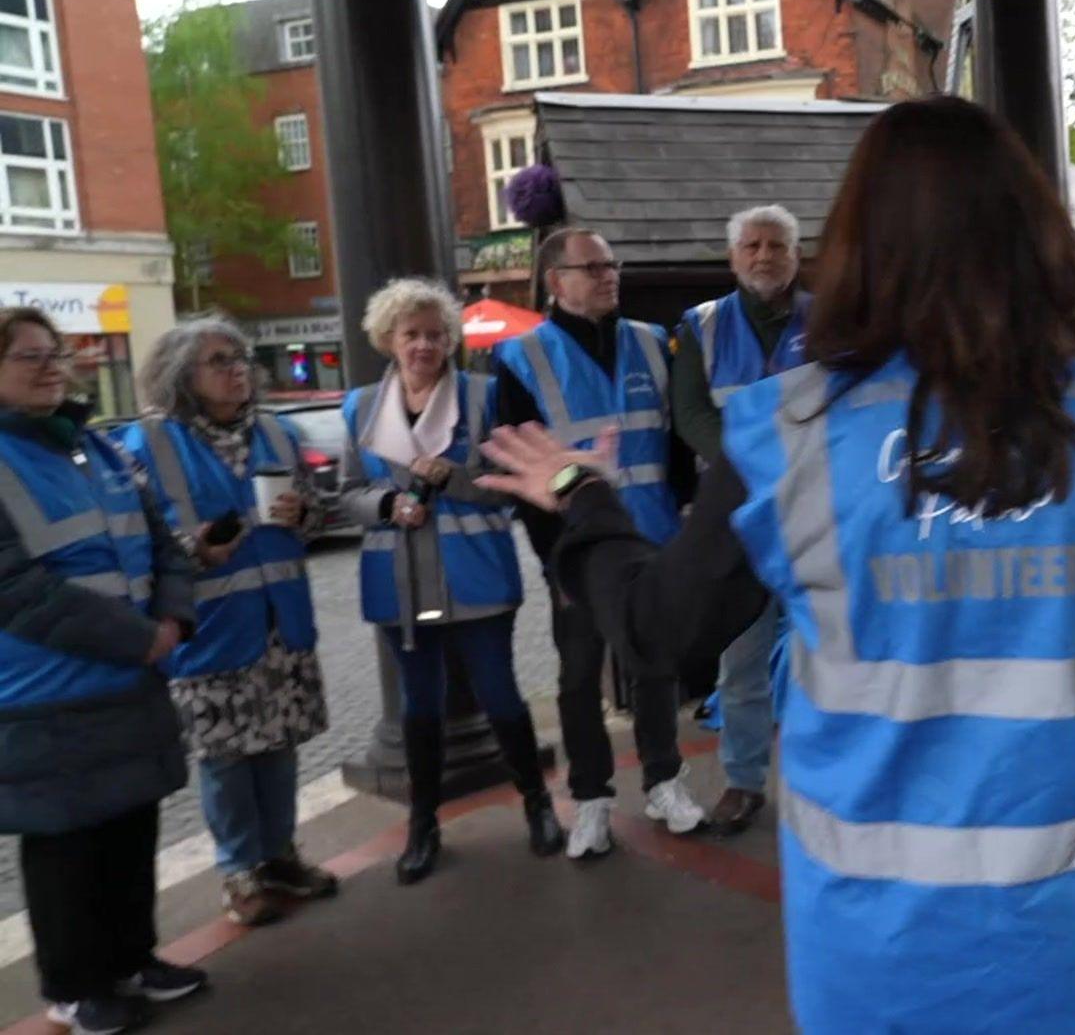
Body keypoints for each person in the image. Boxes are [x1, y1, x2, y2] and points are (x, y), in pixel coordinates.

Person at [480, 93, 1075, 1035]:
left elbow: (656, 631)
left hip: (878, 972)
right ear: (1036, 239)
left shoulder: (788, 432)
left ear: (859, 247)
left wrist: (581, 495)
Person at [0, 308, 209, 1034]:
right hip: (46, 698)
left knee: (129, 831)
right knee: (65, 848)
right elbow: (17, 592)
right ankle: (73, 985)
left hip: (128, 681)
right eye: (29, 357)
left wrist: (174, 620)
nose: (51, 365)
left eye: (54, 352)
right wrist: (140, 639)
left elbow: (164, 547)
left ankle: (131, 960)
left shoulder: (100, 450)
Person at [339, 278, 566, 884]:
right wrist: (388, 506)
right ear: (389, 339)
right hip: (400, 584)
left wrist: (456, 477)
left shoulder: (485, 396)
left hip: (477, 577)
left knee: (500, 698)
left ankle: (538, 805)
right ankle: (423, 824)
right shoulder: (360, 407)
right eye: (412, 334)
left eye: (436, 334)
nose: (424, 345)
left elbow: (511, 478)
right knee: (420, 709)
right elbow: (346, 495)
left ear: (451, 339)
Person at [120, 317, 337, 929]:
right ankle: (240, 871)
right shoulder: (148, 443)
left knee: (279, 745)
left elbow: (320, 514)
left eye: (240, 357)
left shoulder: (278, 431)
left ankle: (280, 856)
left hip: (280, 621)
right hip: (210, 628)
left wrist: (306, 514)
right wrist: (195, 549)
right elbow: (137, 545)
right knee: (225, 759)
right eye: (219, 360)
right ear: (181, 374)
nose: (237, 368)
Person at [493, 227, 705, 854]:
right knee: (579, 676)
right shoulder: (520, 359)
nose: (609, 275)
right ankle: (591, 800)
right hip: (578, 549)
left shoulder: (650, 342)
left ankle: (665, 780)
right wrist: (554, 564)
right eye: (593, 267)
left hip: (652, 535)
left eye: (612, 264)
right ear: (556, 281)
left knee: (655, 665)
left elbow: (673, 440)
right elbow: (518, 471)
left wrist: (688, 509)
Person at [671, 204, 810, 836]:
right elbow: (691, 413)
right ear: (732, 258)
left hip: (816, 515)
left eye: (776, 245)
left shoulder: (834, 322)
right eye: (751, 246)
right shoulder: (699, 326)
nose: (763, 256)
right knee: (742, 661)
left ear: (795, 256)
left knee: (831, 656)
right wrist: (746, 466)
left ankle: (824, 779)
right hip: (739, 519)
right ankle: (744, 781)